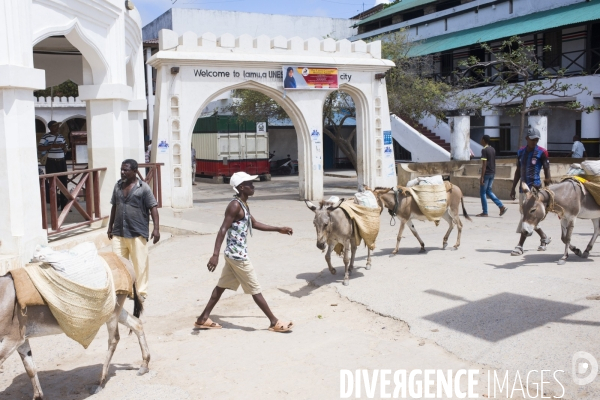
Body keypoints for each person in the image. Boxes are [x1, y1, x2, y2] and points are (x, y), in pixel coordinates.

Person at [195, 172, 294, 332]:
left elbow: (253, 223)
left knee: (221, 287)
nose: (253, 186)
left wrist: (278, 229)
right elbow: (222, 229)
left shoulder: (242, 203)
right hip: (238, 256)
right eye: (250, 184)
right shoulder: (234, 205)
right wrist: (215, 255)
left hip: (234, 255)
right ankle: (274, 322)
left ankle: (202, 318)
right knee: (255, 288)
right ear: (241, 187)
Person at [107, 159, 160, 300]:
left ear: (135, 171)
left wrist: (156, 229)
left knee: (139, 264)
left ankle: (140, 292)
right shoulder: (118, 186)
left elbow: (153, 207)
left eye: (126, 170)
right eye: (121, 169)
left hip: (137, 232)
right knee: (118, 264)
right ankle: (124, 289)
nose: (122, 172)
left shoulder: (143, 188)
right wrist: (110, 226)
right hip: (119, 232)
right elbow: (114, 206)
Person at [509, 128, 552, 256]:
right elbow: (518, 170)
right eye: (532, 139)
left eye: (536, 140)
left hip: (535, 190)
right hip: (523, 189)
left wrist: (547, 187)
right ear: (527, 138)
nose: (534, 141)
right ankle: (544, 237)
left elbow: (547, 170)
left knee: (527, 217)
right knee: (527, 216)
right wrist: (513, 188)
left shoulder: (542, 152)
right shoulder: (521, 152)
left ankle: (520, 246)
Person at [38, 120, 68, 210]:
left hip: (62, 162)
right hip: (51, 162)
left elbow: (66, 149)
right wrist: (51, 146)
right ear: (50, 128)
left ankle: (65, 205)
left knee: (64, 183)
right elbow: (40, 147)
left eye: (58, 126)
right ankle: (54, 205)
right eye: (55, 126)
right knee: (52, 184)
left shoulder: (61, 136)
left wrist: (64, 147)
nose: (57, 128)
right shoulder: (46, 136)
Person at [477, 135, 508, 217]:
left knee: (483, 192)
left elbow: (484, 164)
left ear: (483, 140)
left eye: (481, 139)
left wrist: (482, 177)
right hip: (492, 172)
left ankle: (485, 212)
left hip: (486, 173)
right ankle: (501, 206)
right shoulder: (492, 149)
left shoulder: (484, 150)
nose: (480, 140)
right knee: (489, 191)